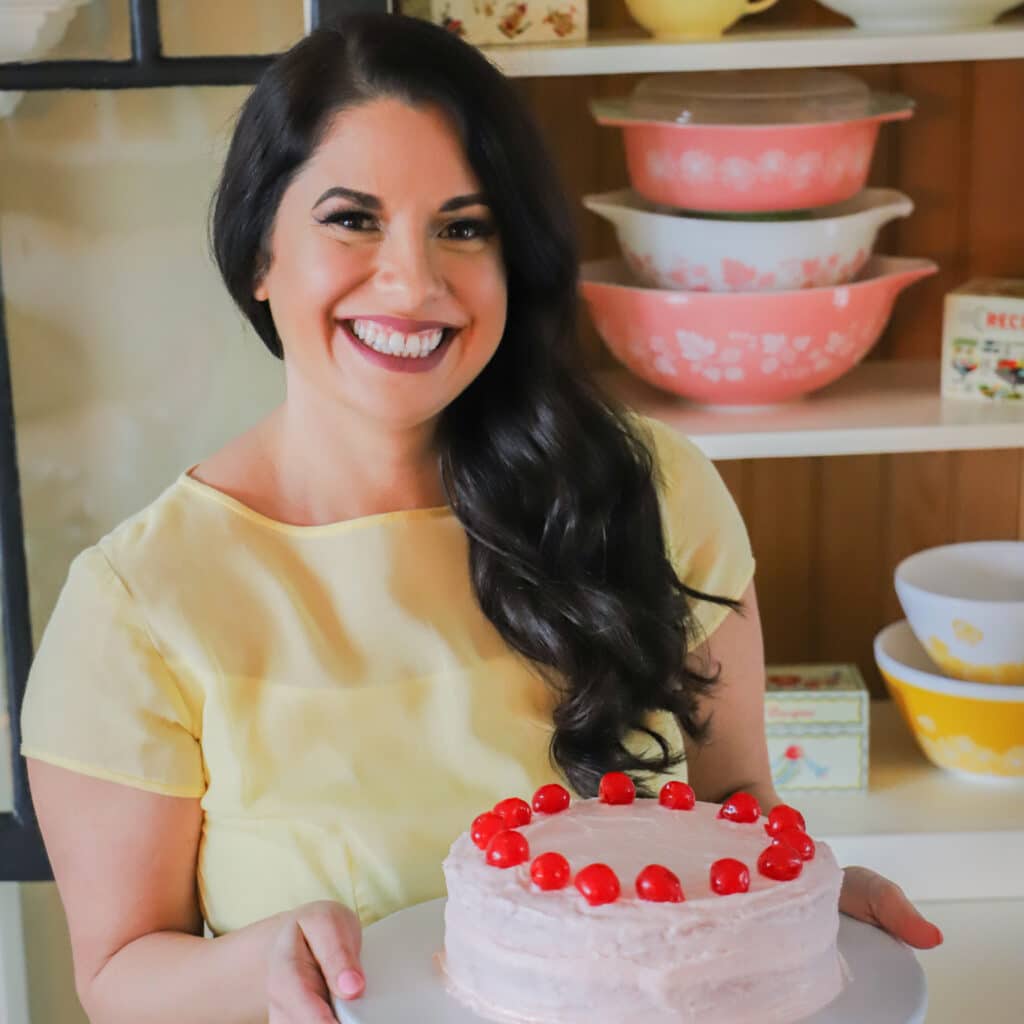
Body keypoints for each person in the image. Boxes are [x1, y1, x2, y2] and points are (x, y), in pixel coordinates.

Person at [20, 12, 942, 1024]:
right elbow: (115, 979)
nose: (413, 284)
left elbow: (735, 821)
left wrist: (802, 921)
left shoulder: (654, 493)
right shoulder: (138, 603)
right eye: (350, 218)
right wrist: (259, 962)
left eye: (464, 227)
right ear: (259, 256)